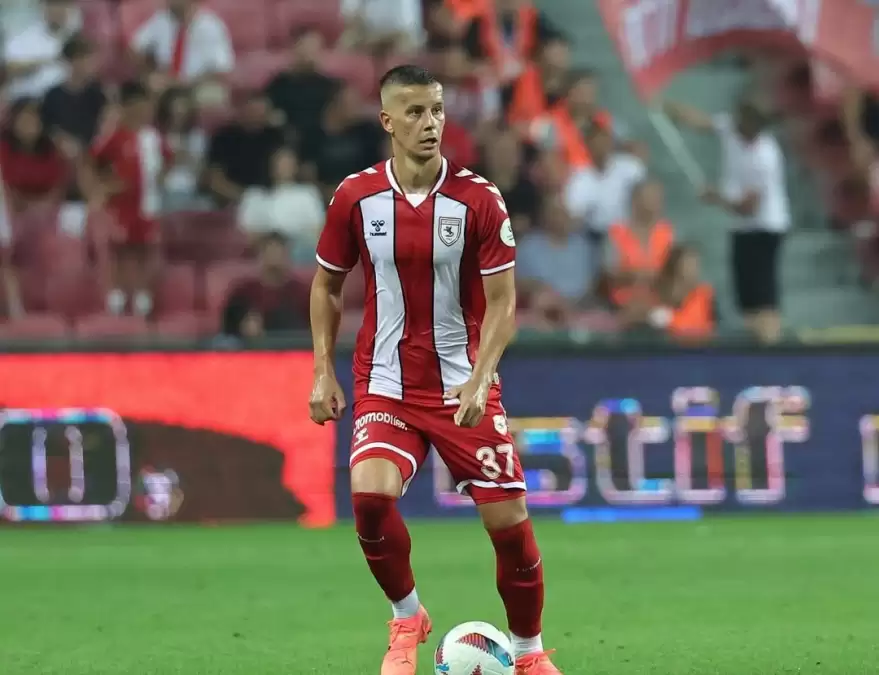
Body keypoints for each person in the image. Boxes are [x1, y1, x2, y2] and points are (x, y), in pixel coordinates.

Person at [309, 65, 562, 675]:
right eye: (416, 112)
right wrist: (322, 370)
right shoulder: (355, 197)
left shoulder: (479, 199)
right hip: (386, 383)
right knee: (369, 499)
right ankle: (407, 619)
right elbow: (326, 285)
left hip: (460, 385)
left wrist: (480, 377)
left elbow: (504, 304)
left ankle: (528, 654)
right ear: (387, 121)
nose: (431, 123)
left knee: (509, 525)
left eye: (438, 110)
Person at [663, 97, 790, 343]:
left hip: (764, 228)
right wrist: (670, 107)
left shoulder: (765, 156)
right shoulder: (732, 127)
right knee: (746, 298)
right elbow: (700, 122)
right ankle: (755, 339)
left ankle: (769, 342)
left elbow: (749, 208)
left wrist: (717, 198)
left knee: (763, 297)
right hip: (743, 229)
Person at [81, 81, 171, 316]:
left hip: (149, 203)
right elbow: (90, 162)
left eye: (147, 106)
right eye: (138, 106)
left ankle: (142, 297)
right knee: (120, 250)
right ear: (127, 107)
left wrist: (159, 179)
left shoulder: (154, 137)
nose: (144, 111)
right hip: (121, 205)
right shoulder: (115, 136)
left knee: (146, 249)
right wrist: (101, 189)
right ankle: (116, 296)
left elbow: (168, 160)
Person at [221, 232, 309, 339]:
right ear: (260, 256)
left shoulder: (302, 293)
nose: (275, 258)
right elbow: (228, 330)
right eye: (270, 253)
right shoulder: (244, 291)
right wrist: (244, 328)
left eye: (279, 253)